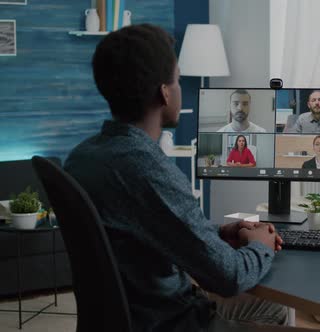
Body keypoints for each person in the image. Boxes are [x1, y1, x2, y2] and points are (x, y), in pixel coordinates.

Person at [63, 24, 296, 332]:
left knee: (273, 306)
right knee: (278, 309)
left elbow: (149, 227)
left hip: (129, 317)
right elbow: (230, 277)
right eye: (177, 79)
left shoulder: (82, 157)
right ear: (164, 92)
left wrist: (218, 232)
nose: (179, 87)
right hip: (172, 321)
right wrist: (262, 245)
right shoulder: (147, 168)